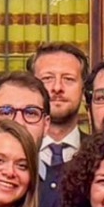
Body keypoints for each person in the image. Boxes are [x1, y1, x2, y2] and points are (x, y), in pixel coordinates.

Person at [0, 71, 57, 207]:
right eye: (6, 112)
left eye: (31, 113)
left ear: (46, 125)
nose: (18, 123)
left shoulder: (68, 194)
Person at [27, 42, 88, 170]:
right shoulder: (17, 151)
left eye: (68, 79)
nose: (57, 87)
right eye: (47, 78)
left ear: (83, 91)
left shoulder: (100, 154)